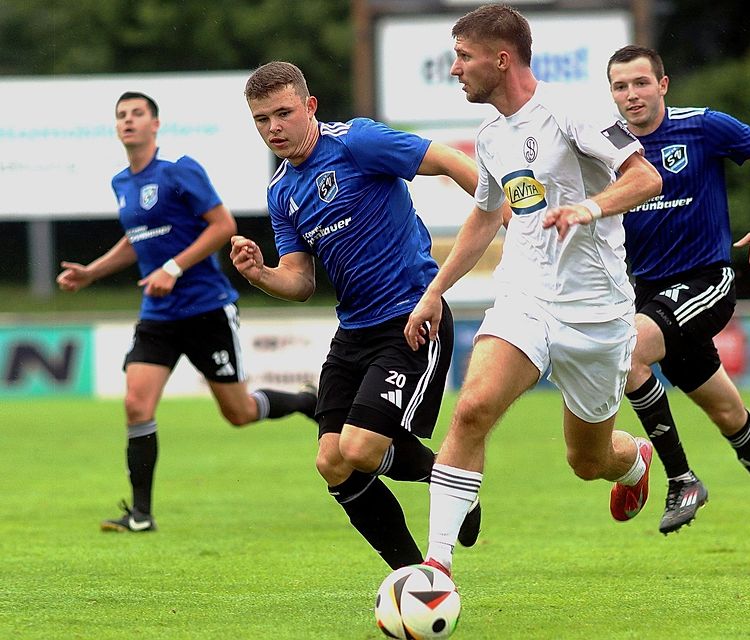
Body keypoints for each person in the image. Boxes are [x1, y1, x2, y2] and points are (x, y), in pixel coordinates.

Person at [402, 4, 664, 576]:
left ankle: (632, 462)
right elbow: (484, 218)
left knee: (587, 460)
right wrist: (434, 294)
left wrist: (588, 208)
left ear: (501, 59)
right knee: (471, 409)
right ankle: (436, 566)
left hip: (597, 313)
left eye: (464, 57)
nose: (454, 70)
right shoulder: (490, 135)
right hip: (525, 300)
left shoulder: (572, 112)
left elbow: (646, 177)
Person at [232, 61, 487, 570]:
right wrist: (260, 273)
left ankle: (449, 480)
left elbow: (445, 160)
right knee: (331, 462)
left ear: (310, 107)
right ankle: (416, 577)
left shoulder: (357, 143)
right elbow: (300, 282)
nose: (273, 128)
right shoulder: (281, 192)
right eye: (261, 120)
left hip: (411, 317)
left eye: (283, 114)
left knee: (362, 449)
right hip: (353, 333)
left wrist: (498, 204)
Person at [56, 91, 318, 533]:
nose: (128, 121)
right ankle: (141, 515)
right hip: (158, 314)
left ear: (154, 124)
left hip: (205, 310)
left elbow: (223, 226)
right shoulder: (122, 182)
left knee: (238, 413)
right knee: (136, 404)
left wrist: (174, 267)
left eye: (137, 113)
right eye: (121, 115)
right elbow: (135, 238)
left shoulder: (179, 171)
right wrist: (91, 272)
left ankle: (306, 401)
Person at [606, 45, 750, 566]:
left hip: (705, 281)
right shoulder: (606, 146)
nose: (631, 95)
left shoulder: (703, 126)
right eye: (619, 86)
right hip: (649, 294)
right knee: (727, 412)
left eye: (640, 83)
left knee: (627, 349)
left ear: (663, 84)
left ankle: (681, 479)